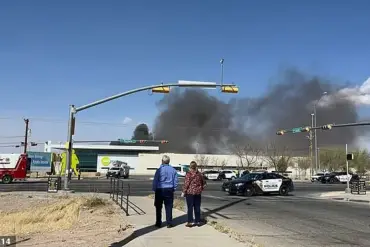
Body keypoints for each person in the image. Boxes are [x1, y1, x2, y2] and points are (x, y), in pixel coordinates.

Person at [152, 155, 179, 228]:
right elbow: (176, 181)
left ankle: (158, 222)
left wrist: (154, 189)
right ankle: (169, 223)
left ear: (162, 161)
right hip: (169, 189)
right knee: (169, 207)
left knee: (158, 207)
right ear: (169, 161)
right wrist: (174, 188)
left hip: (160, 190)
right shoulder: (173, 170)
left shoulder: (159, 170)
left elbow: (155, 181)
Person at [182, 161, 206, 227]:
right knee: (197, 207)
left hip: (190, 193)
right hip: (198, 193)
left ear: (190, 167)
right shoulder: (199, 174)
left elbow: (186, 184)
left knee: (190, 208)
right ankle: (198, 221)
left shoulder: (188, 174)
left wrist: (184, 191)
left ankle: (190, 222)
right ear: (196, 166)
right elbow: (204, 183)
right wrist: (200, 189)